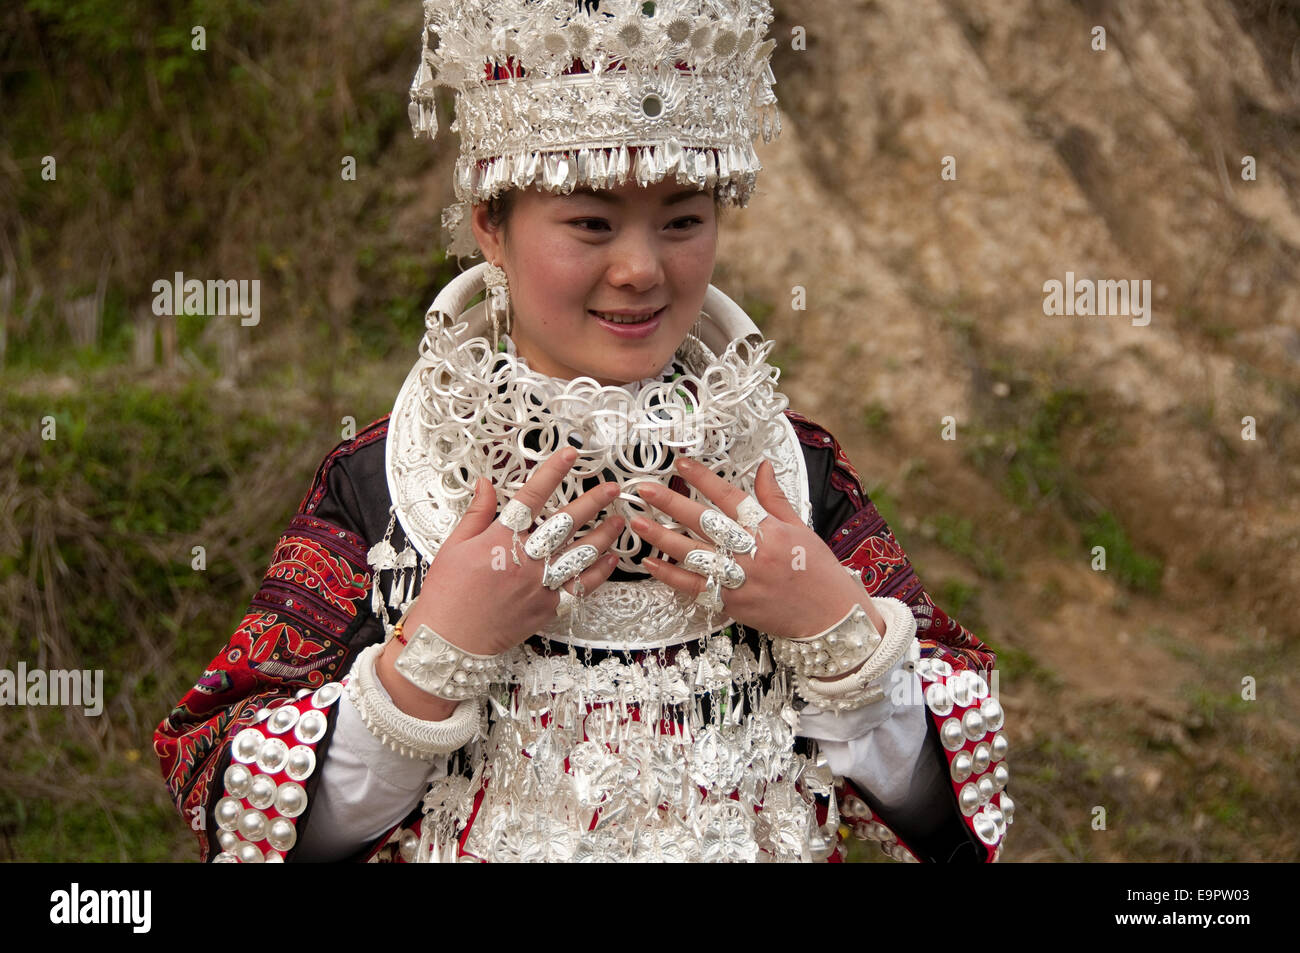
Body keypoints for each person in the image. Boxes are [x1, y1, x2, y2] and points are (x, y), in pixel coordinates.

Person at [155, 0, 1012, 863]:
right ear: (493, 224)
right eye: (590, 223)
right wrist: (432, 659)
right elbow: (234, 807)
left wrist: (836, 631)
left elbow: (955, 816)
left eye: (683, 219)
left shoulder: (794, 476)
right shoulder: (386, 481)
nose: (640, 269)